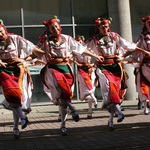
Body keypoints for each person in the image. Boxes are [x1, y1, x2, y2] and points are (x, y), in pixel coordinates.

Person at [34, 16, 104, 135]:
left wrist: (96, 56)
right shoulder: (45, 41)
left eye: (56, 26)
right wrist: (44, 53)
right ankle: (71, 111)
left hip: (66, 69)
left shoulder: (67, 39)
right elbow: (35, 50)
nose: (55, 29)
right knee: (62, 95)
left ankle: (64, 122)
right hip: (52, 70)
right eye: (52, 28)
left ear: (59, 27)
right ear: (49, 30)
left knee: (65, 96)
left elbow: (81, 49)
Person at [85, 17, 150, 130]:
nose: (105, 28)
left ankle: (110, 120)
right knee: (110, 87)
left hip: (115, 67)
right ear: (98, 28)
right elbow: (82, 49)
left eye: (106, 26)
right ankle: (119, 112)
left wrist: (122, 56)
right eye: (102, 27)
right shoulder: (94, 40)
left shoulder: (114, 36)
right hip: (103, 67)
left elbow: (130, 46)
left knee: (116, 92)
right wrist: (95, 57)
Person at [0, 20, 45, 139]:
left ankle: (16, 127)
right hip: (5, 73)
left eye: (0, 31)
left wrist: (24, 60)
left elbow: (33, 50)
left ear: (4, 29)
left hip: (18, 72)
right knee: (12, 96)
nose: (0, 34)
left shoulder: (16, 39)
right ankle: (22, 119)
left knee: (16, 100)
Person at [125, 16, 150, 114]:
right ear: (145, 24)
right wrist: (124, 55)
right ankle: (145, 106)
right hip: (145, 64)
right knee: (143, 85)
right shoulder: (142, 37)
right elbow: (134, 48)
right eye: (149, 23)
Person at [74, 35, 98, 119]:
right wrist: (78, 64)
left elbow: (96, 57)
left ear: (83, 42)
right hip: (81, 71)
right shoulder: (76, 51)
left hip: (90, 70)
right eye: (77, 42)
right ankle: (95, 99)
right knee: (86, 88)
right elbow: (72, 59)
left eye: (79, 41)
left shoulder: (89, 49)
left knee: (91, 88)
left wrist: (93, 64)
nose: (78, 43)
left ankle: (90, 111)